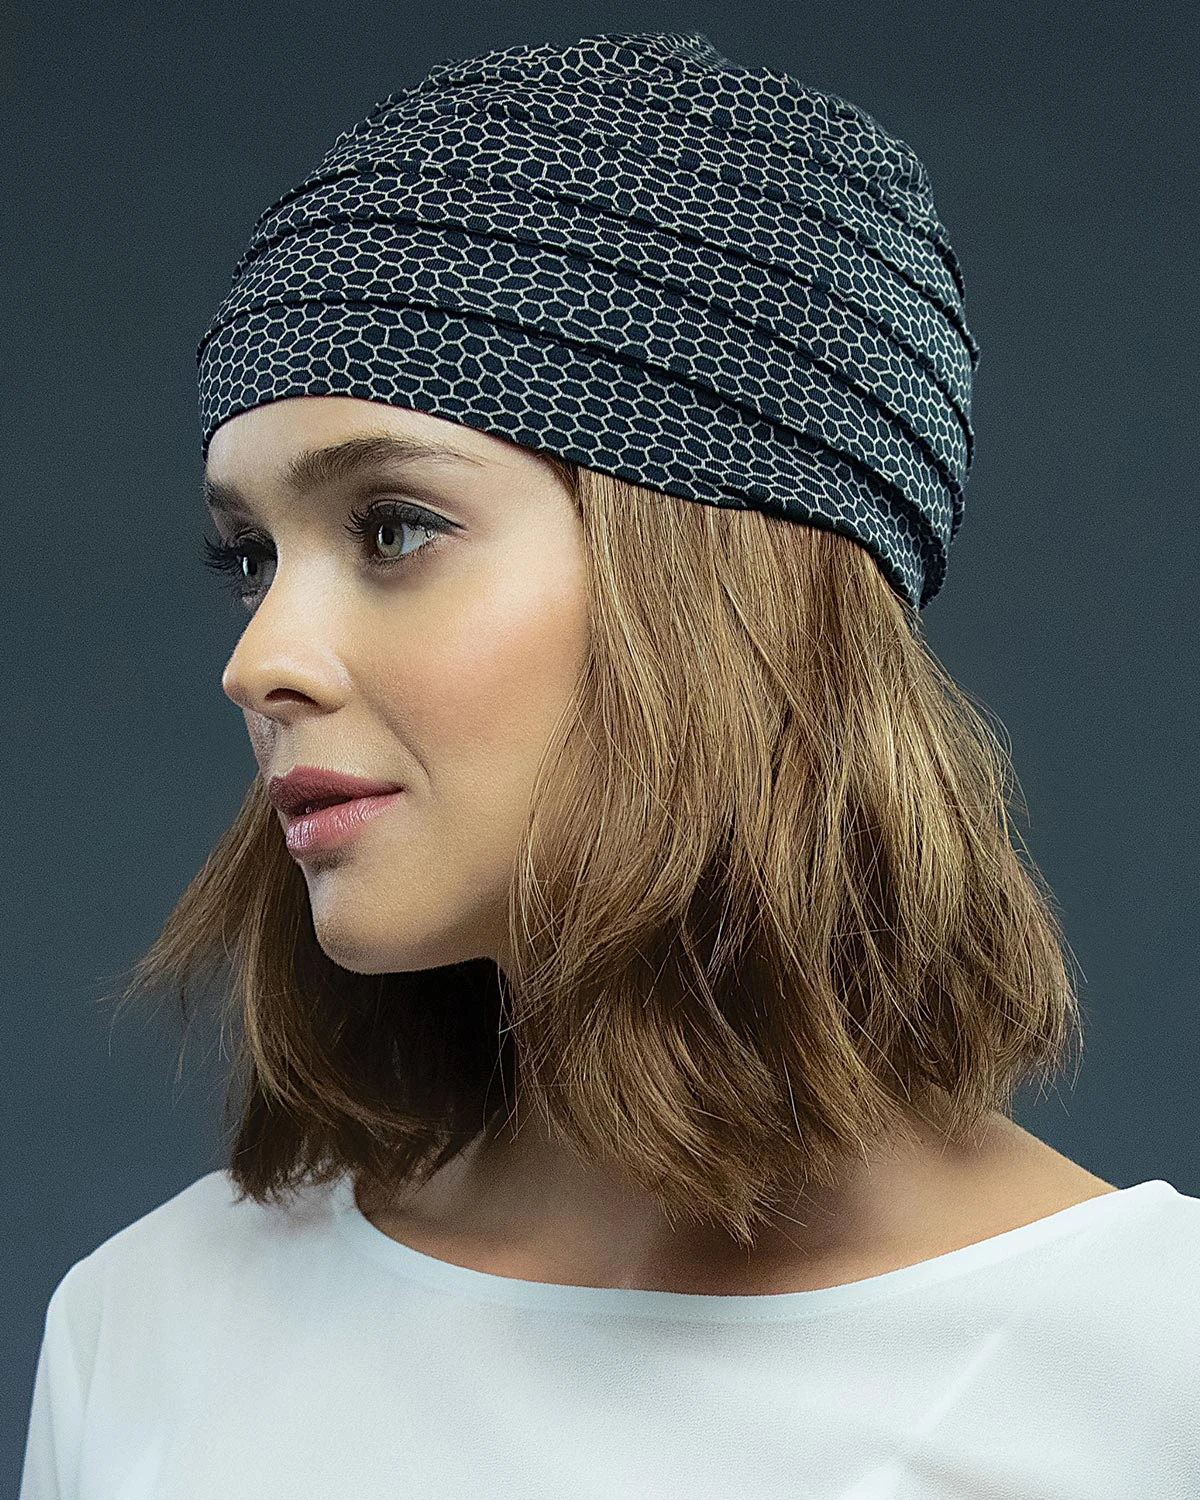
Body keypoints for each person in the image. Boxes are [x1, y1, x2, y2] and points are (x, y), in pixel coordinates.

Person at [20, 30, 1198, 1500]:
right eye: (250, 555)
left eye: (392, 527)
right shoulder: (149, 1333)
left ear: (727, 581)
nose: (259, 659)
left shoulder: (1153, 1382)